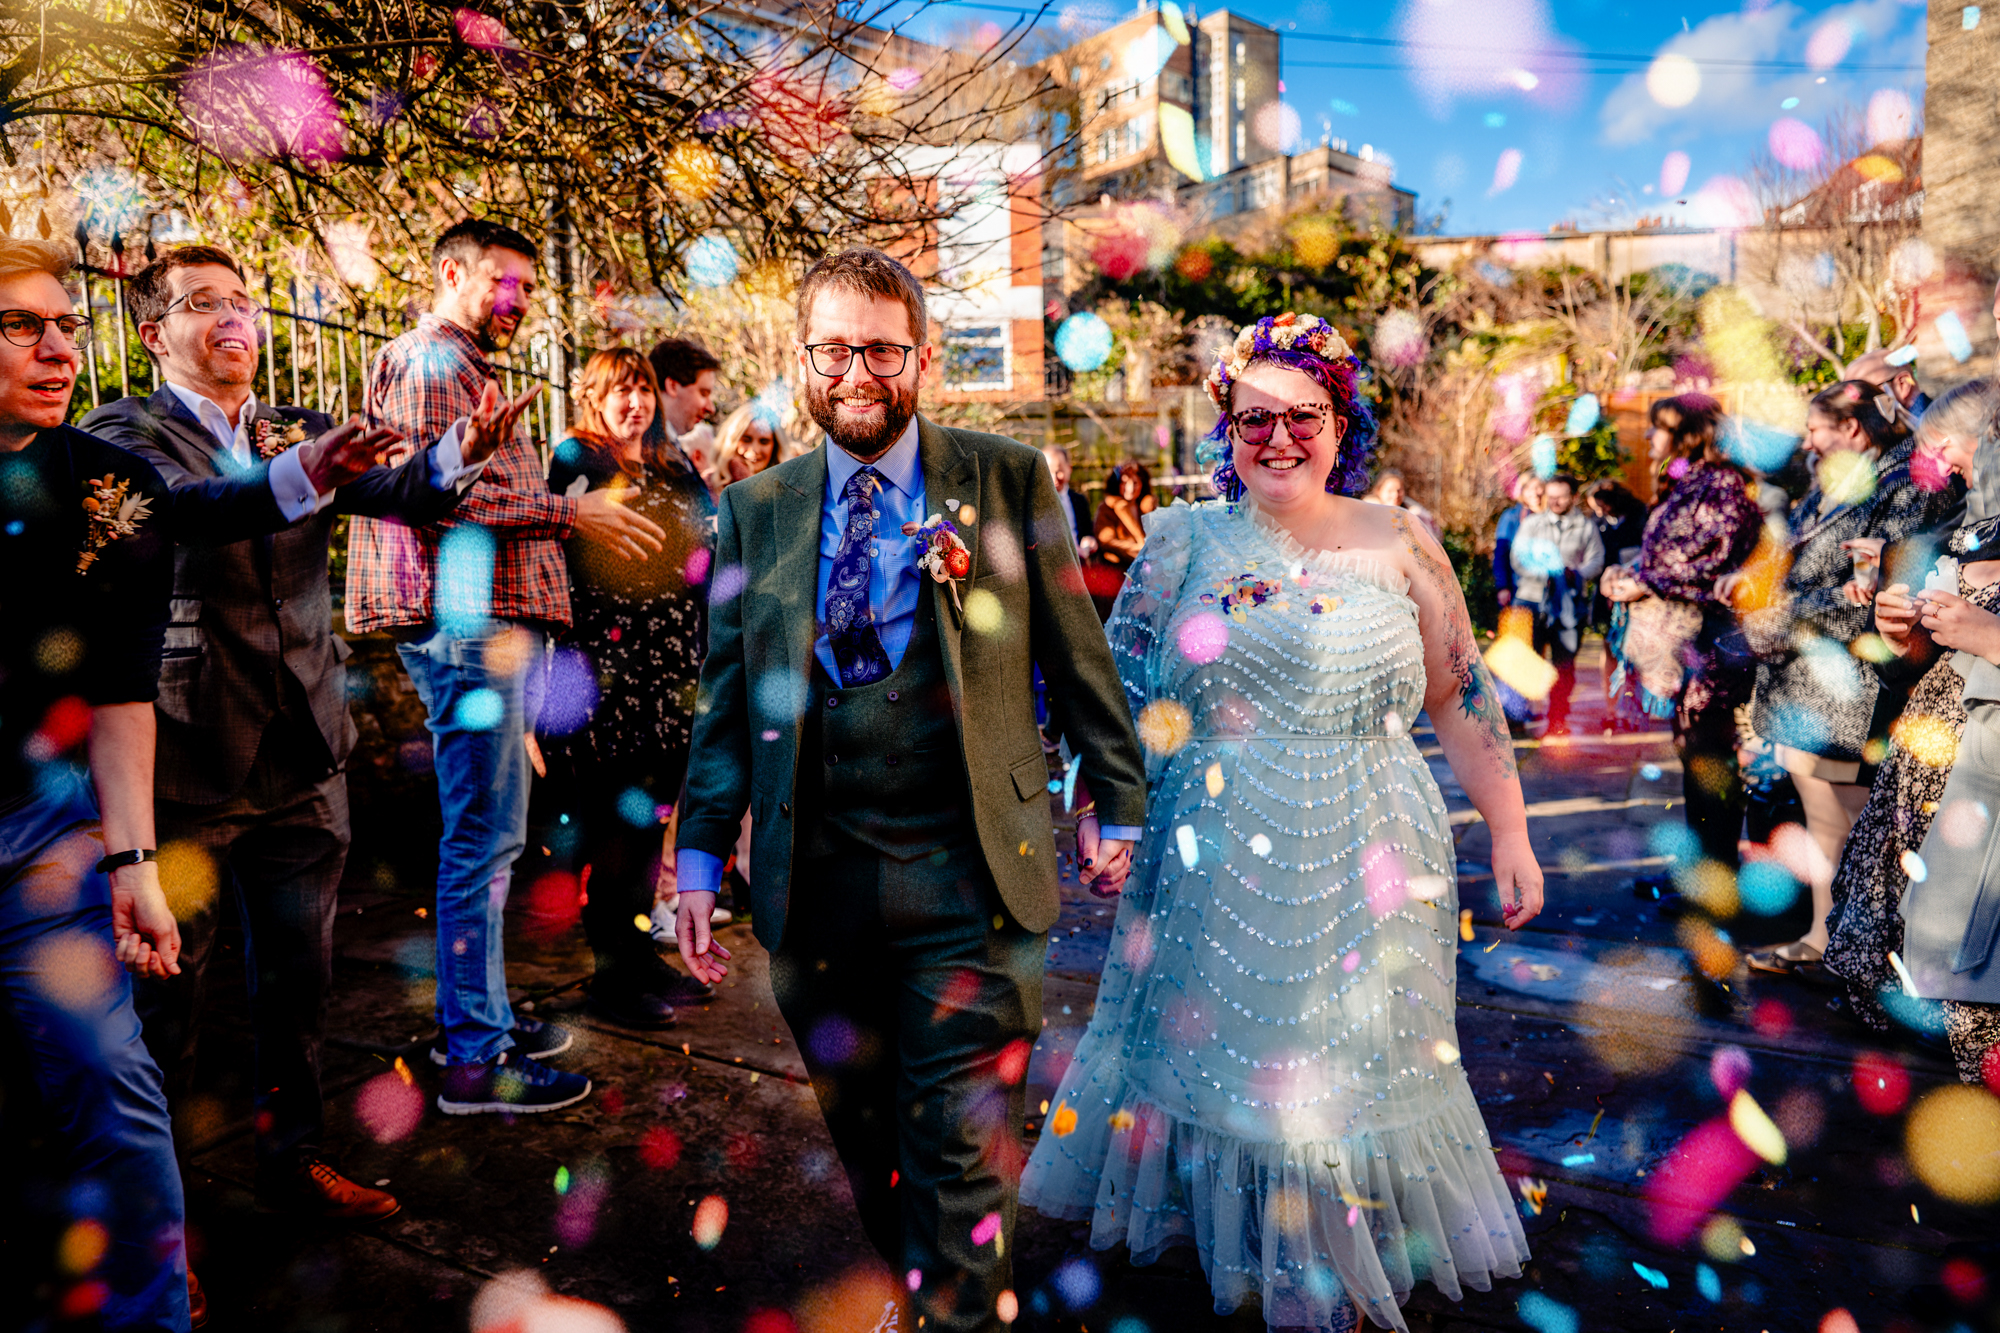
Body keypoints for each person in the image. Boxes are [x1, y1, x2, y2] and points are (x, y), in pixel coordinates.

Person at [1021, 312, 1541, 1333]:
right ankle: (1250, 1253)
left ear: (1341, 423)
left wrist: (1512, 829)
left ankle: (1340, 1266)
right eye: (1253, 417)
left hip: (1376, 851)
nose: (1278, 437)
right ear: (1225, 425)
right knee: (1239, 1072)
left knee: (1357, 1070)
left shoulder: (1404, 541)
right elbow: (1122, 697)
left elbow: (1463, 698)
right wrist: (1105, 817)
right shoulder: (1177, 541)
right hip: (1214, 855)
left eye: (1303, 415)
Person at [671, 247, 1148, 1333]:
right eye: (833, 348)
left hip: (969, 871)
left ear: (921, 356)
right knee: (873, 1136)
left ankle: (956, 1316)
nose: (857, 372)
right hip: (816, 878)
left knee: (959, 1147)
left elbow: (1078, 655)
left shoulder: (1007, 478)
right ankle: (929, 1288)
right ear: (802, 359)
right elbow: (726, 701)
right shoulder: (755, 510)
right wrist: (698, 857)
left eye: (880, 349)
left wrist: (1111, 793)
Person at [81, 243, 514, 1242]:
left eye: (244, 300)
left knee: (299, 985)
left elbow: (397, 497)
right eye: (205, 303)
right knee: (167, 1010)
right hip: (189, 759)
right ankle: (161, 1225)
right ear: (153, 333)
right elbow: (186, 518)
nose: (236, 317)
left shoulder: (293, 423)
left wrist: (457, 455)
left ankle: (297, 1154)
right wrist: (300, 471)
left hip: (306, 756)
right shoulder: (117, 434)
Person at [345, 218, 665, 1114]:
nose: (518, 301)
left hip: (488, 626)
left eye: (527, 286)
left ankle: (478, 1016)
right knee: (480, 842)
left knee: (494, 841)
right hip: (464, 626)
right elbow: (431, 491)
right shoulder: (432, 364)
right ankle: (475, 1054)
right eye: (504, 283)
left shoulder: (463, 369)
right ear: (452, 273)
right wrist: (577, 516)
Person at [0, 235, 189, 1329]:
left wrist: (135, 864)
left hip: (43, 843)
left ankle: (150, 1313)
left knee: (115, 1098)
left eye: (66, 322)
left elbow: (120, 691)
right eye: (22, 324)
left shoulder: (115, 486)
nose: (58, 344)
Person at [1738, 380, 1961, 978]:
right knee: (1822, 819)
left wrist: (1782, 612)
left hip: (1848, 681)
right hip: (1803, 678)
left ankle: (1849, 950)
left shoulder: (1905, 484)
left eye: (1817, 429)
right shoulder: (1834, 481)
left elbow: (1880, 593)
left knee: (1853, 828)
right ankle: (1823, 937)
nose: (1807, 443)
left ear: (1854, 429)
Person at [1823, 379, 2000, 1083]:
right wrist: (1903, 634)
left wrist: (1989, 634)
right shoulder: (1969, 523)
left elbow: (1983, 637)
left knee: (1973, 961)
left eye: (1947, 447)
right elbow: (1931, 654)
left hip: (1983, 774)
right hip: (1931, 758)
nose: (1942, 466)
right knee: (1917, 944)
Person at [545, 348, 718, 1028]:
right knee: (617, 832)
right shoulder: (576, 460)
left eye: (642, 389)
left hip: (673, 671)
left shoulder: (670, 462)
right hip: (611, 677)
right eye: (620, 391)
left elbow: (708, 536)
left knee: (650, 829)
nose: (635, 403)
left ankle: (639, 955)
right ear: (593, 396)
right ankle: (612, 977)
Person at [1600, 395, 1762, 881]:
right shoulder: (1687, 486)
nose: (1650, 438)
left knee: (1710, 767)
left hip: (1709, 655)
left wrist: (1646, 582)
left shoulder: (1724, 487)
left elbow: (1716, 561)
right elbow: (1664, 558)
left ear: (1686, 434)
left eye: (1658, 429)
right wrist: (1626, 575)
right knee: (1696, 765)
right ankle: (1706, 877)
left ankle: (1718, 884)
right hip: (1682, 657)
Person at [1509, 472, 1604, 737]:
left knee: (1563, 666)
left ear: (1573, 497)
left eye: (1561, 497)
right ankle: (1515, 717)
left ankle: (1557, 719)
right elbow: (1517, 558)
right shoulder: (1533, 524)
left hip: (1568, 607)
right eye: (1550, 496)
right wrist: (1547, 571)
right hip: (1531, 600)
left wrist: (1574, 574)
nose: (1554, 501)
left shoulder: (1586, 528)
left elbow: (1596, 562)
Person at [1087, 459, 1157, 618]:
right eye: (1124, 482)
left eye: (1135, 482)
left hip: (1145, 577)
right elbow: (1106, 541)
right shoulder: (1107, 508)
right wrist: (1138, 549)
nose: (1130, 488)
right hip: (1116, 576)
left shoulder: (1146, 508)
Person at [708, 401, 788, 492]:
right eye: (746, 440)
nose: (754, 450)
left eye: (764, 442)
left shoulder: (786, 490)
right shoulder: (707, 484)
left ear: (775, 446)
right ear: (731, 441)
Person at [1491, 473, 1543, 610]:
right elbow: (1501, 554)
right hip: (1517, 587)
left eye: (1539, 488)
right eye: (1529, 488)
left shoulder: (1549, 517)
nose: (1535, 493)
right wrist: (1503, 586)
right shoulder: (1510, 517)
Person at [1041, 441, 1098, 561]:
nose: (1054, 478)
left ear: (1069, 469)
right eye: (1047, 472)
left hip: (1078, 563)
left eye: (1058, 471)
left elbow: (1087, 532)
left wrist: (1089, 541)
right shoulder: (1035, 502)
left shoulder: (1079, 501)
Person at [1364, 464, 1441, 538]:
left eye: (1399, 490)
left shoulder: (1416, 515)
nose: (1395, 495)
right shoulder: (1368, 514)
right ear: (1379, 491)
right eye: (1390, 491)